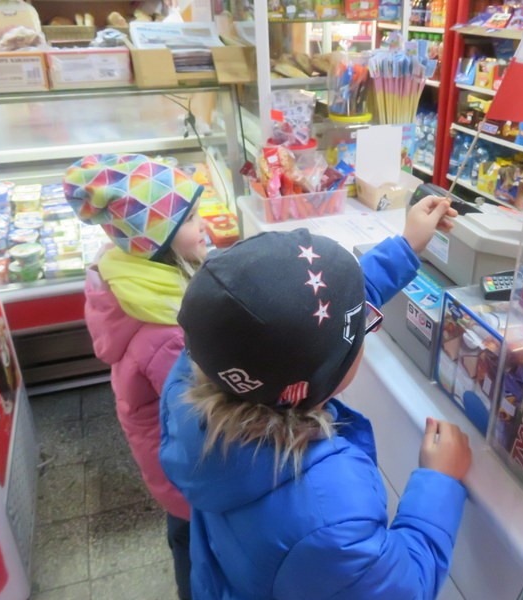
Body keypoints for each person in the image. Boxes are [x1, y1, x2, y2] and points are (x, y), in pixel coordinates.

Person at [160, 228, 473, 599]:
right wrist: (439, 482)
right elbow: (401, 588)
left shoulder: (197, 375)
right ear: (323, 374)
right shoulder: (329, 514)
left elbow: (313, 318)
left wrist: (404, 249)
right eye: (364, 326)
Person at [64, 153, 206, 600]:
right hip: (187, 470)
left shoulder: (133, 282)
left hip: (164, 459)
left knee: (182, 530)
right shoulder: (165, 331)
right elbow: (200, 412)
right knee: (194, 545)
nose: (204, 226)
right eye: (190, 219)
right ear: (155, 241)